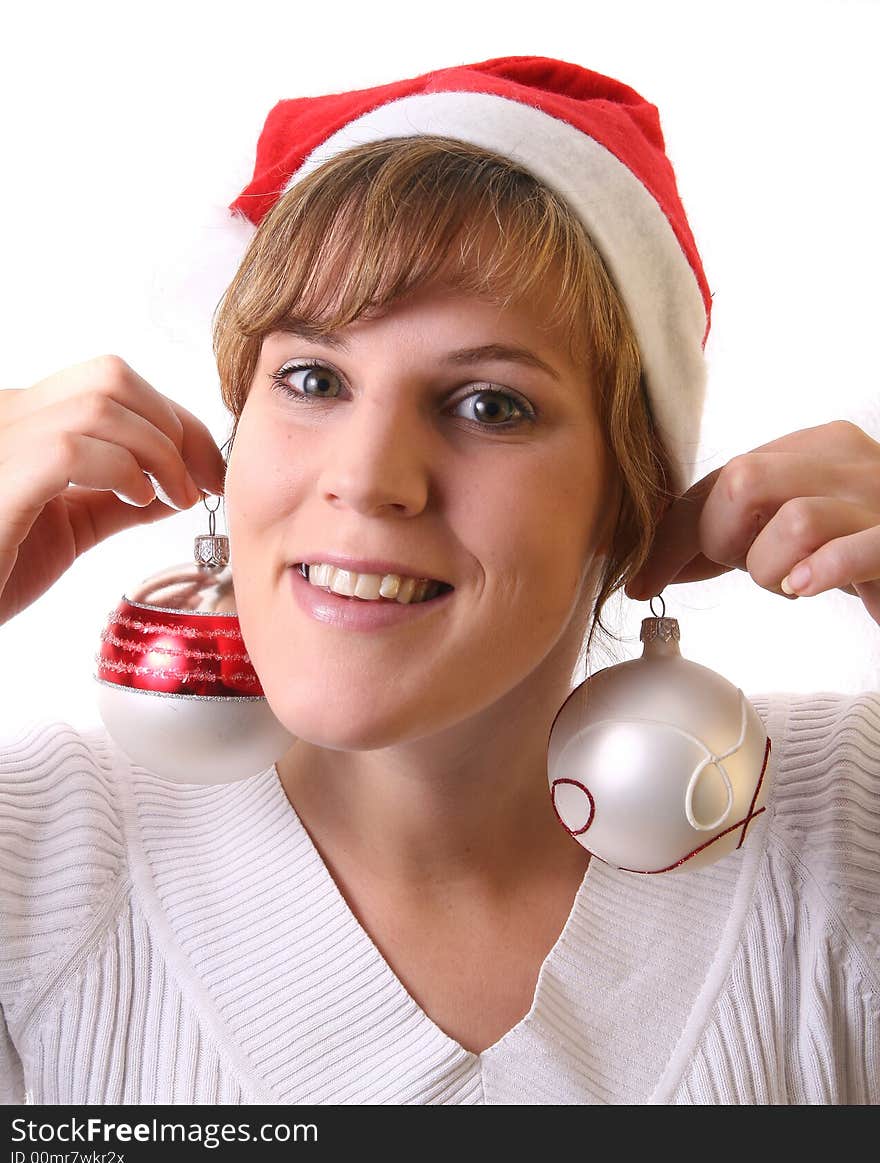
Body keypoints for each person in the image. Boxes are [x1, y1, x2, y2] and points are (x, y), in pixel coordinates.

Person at [0, 56, 878, 1106]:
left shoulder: (838, 830)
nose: (369, 478)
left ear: (628, 495)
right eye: (313, 378)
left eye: (489, 404)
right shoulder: (37, 860)